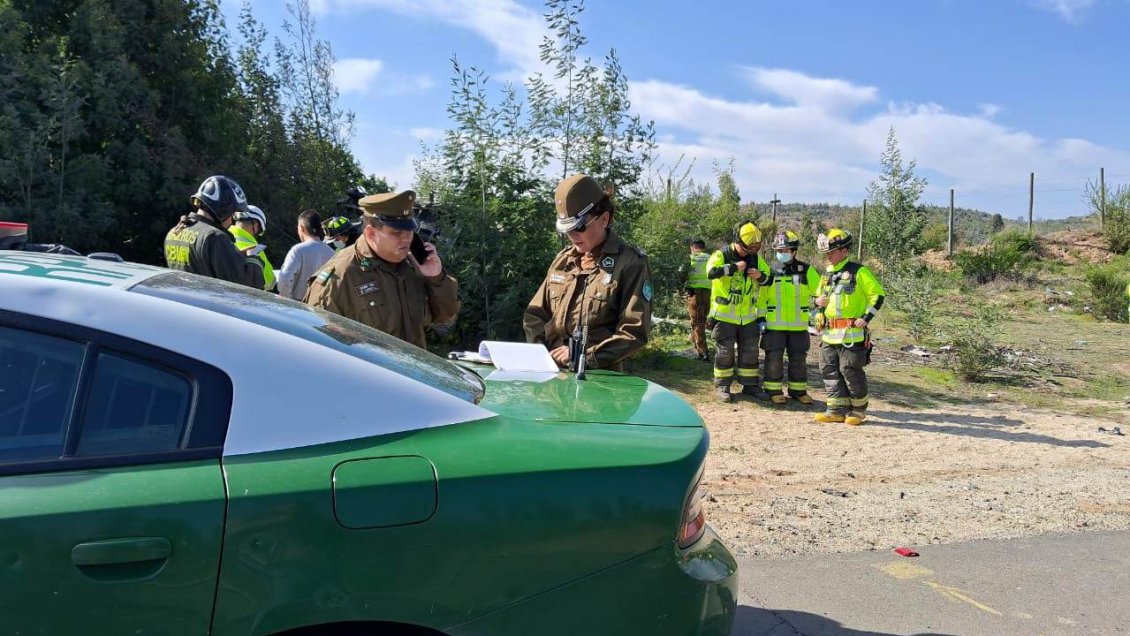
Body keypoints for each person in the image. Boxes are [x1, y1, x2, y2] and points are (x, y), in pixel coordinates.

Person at [524, 174, 652, 372]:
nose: (572, 236)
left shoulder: (630, 264)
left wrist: (584, 356)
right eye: (566, 230)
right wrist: (542, 355)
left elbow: (634, 331)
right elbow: (535, 315)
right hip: (553, 374)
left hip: (599, 379)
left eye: (579, 227)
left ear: (604, 219)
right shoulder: (562, 261)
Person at [304, 190, 459, 348]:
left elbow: (446, 316)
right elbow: (319, 349)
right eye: (396, 232)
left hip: (412, 371)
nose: (406, 238)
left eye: (409, 230)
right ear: (371, 233)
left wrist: (436, 278)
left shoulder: (414, 264)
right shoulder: (339, 278)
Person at [812, 228, 886, 425]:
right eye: (826, 253)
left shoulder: (859, 271)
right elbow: (819, 300)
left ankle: (858, 411)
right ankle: (835, 410)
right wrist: (818, 310)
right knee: (829, 370)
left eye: (832, 252)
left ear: (844, 251)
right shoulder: (826, 275)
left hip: (851, 334)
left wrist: (866, 317)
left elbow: (877, 295)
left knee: (850, 370)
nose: (828, 257)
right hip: (829, 334)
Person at [706, 221, 770, 402]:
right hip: (724, 316)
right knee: (724, 353)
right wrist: (734, 267)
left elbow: (769, 279)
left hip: (748, 316)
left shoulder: (755, 258)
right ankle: (722, 386)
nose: (751, 251)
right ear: (738, 241)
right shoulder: (721, 254)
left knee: (750, 352)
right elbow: (711, 273)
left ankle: (750, 386)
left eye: (755, 247)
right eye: (748, 247)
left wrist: (760, 276)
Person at [164, 175, 265, 289]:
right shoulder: (215, 237)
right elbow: (243, 286)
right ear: (224, 209)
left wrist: (233, 256)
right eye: (233, 214)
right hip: (208, 304)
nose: (232, 220)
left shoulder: (175, 232)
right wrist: (253, 259)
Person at [759, 231, 821, 405]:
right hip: (774, 326)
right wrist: (761, 319)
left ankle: (798, 391)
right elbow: (763, 298)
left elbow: (820, 292)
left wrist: (818, 307)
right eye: (779, 250)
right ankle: (773, 390)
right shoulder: (770, 271)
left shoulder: (806, 270)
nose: (782, 253)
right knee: (773, 358)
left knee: (798, 359)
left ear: (794, 251)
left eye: (786, 249)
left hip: (798, 326)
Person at [277, 209, 334, 301]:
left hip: (297, 305)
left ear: (302, 228)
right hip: (319, 307)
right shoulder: (332, 253)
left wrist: (286, 300)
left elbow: (285, 278)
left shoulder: (298, 250)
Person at [229, 204, 276, 291]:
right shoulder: (254, 249)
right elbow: (270, 282)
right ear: (255, 225)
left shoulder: (223, 240)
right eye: (259, 230)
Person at [684, 239, 712, 361]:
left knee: (697, 322)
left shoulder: (691, 258)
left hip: (695, 294)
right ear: (703, 248)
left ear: (692, 248)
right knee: (701, 320)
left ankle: (702, 351)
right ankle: (697, 345)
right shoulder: (711, 258)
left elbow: (681, 273)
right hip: (709, 293)